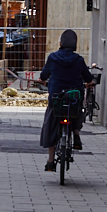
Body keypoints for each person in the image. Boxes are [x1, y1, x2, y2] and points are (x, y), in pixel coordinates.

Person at [40, 29, 95, 171]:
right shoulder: (79, 60)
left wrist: (42, 80)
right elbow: (88, 78)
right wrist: (90, 83)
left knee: (51, 122)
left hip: (56, 97)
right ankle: (76, 133)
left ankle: (51, 161)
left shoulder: (52, 58)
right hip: (73, 97)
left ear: (61, 42)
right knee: (77, 110)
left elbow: (44, 75)